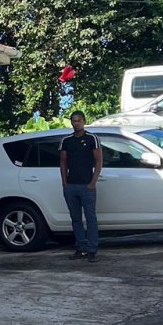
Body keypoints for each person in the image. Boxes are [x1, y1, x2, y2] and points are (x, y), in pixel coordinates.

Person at [59, 111, 102, 260]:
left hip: (87, 185)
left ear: (84, 121)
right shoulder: (66, 140)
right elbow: (63, 161)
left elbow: (98, 161)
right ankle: (81, 247)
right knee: (76, 218)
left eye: (79, 120)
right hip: (71, 185)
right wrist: (65, 182)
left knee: (91, 217)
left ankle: (92, 249)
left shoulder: (92, 139)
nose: (76, 123)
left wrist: (93, 182)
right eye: (74, 121)